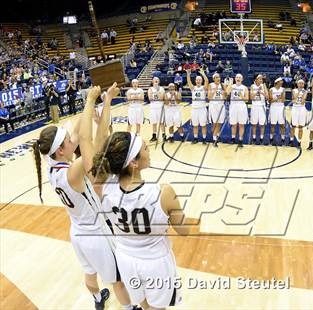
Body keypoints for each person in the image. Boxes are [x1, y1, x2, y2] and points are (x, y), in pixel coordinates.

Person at [32, 84, 138, 310]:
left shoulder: (52, 165)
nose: (73, 140)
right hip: (95, 234)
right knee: (117, 280)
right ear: (61, 150)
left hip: (77, 233)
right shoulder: (73, 172)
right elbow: (93, 144)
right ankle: (130, 308)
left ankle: (98, 299)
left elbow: (77, 133)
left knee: (90, 275)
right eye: (69, 141)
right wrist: (96, 102)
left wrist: (96, 102)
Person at [83, 128, 196, 308]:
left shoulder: (103, 188)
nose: (148, 149)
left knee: (144, 305)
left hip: (126, 259)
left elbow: (86, 143)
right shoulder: (163, 192)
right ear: (134, 162)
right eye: (145, 148)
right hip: (156, 263)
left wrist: (93, 102)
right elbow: (184, 231)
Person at [226, 73, 249, 147]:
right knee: (234, 124)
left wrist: (242, 96)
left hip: (242, 107)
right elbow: (227, 92)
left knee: (241, 124)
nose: (238, 78)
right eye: (237, 77)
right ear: (235, 79)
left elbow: (246, 100)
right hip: (233, 107)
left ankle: (240, 140)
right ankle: (233, 138)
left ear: (242, 79)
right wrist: (230, 83)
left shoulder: (244, 88)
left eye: (240, 77)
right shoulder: (232, 86)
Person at [187, 68, 209, 144]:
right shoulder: (193, 88)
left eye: (199, 80)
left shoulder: (204, 88)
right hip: (194, 109)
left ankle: (204, 139)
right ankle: (195, 138)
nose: (198, 81)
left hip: (202, 109)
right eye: (197, 80)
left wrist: (203, 73)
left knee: (203, 125)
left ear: (201, 81)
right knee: (195, 125)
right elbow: (189, 82)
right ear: (195, 81)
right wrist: (188, 74)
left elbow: (207, 81)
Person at [208, 73, 227, 146]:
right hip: (213, 105)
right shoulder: (211, 85)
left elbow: (225, 97)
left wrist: (224, 94)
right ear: (213, 79)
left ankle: (216, 135)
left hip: (221, 105)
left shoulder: (223, 85)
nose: (218, 78)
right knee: (215, 122)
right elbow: (209, 97)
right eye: (216, 77)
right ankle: (214, 139)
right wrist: (215, 90)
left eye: (218, 77)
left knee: (220, 122)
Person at [250, 74, 269, 145]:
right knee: (254, 123)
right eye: (259, 78)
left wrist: (262, 92)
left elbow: (267, 97)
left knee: (262, 124)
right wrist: (257, 91)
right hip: (255, 106)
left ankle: (261, 138)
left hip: (262, 106)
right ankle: (254, 138)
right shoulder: (252, 86)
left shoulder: (264, 86)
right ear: (256, 79)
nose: (261, 80)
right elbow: (251, 97)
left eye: (261, 79)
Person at [290, 79, 308, 148]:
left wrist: (299, 95)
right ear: (297, 84)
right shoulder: (294, 90)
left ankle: (299, 141)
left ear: (303, 85)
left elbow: (303, 100)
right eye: (299, 83)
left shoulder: (305, 91)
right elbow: (294, 98)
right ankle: (291, 141)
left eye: (302, 83)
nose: (300, 85)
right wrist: (299, 93)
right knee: (293, 126)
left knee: (301, 127)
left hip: (302, 109)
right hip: (295, 108)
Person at [269, 77, 287, 145]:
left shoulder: (283, 89)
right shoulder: (271, 89)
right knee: (272, 124)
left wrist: (275, 99)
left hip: (281, 108)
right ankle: (271, 139)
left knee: (282, 124)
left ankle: (283, 139)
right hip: (273, 108)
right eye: (281, 81)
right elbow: (270, 100)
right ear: (277, 82)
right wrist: (278, 98)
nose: (282, 82)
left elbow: (283, 100)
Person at [148, 77, 166, 142]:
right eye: (155, 80)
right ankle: (154, 136)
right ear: (152, 81)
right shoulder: (150, 89)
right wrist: (157, 96)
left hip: (160, 108)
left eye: (157, 80)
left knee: (161, 123)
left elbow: (162, 98)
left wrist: (157, 92)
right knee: (154, 123)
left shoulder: (161, 89)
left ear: (159, 81)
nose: (156, 81)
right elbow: (150, 99)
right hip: (153, 108)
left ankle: (164, 136)